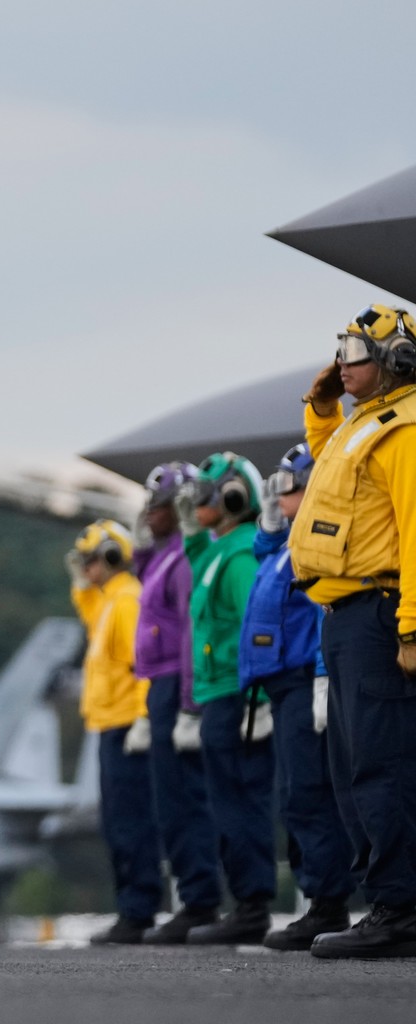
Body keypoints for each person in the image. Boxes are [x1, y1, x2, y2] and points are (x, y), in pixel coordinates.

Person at [290, 304, 416, 958]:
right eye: (340, 348)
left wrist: (413, 627)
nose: (343, 361)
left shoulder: (407, 428)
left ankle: (401, 909)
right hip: (342, 619)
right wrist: (320, 404)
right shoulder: (361, 426)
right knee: (350, 768)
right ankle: (386, 904)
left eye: (357, 350)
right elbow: (327, 470)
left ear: (396, 360)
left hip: (377, 613)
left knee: (381, 765)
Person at [243, 443, 356, 950]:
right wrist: (269, 527)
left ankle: (327, 902)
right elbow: (271, 565)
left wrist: (321, 674)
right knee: (296, 796)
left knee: (310, 794)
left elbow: (317, 610)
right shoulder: (291, 541)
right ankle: (320, 900)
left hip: (303, 677)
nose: (277, 495)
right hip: (284, 683)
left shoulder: (319, 538)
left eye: (284, 487)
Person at [176, 451, 277, 945]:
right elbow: (197, 564)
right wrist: (192, 532)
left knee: (240, 802)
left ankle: (253, 907)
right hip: (218, 694)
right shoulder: (220, 550)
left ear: (233, 499)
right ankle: (245, 903)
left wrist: (256, 694)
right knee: (225, 803)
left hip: (236, 695)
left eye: (205, 499)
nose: (195, 508)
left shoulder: (239, 555)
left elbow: (251, 621)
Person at [130, 463, 224, 945]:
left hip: (176, 683)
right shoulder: (165, 556)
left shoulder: (187, 557)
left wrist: (189, 704)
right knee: (169, 801)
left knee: (184, 799)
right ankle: (195, 895)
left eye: (158, 506)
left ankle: (201, 898)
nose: (149, 514)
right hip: (160, 685)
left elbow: (190, 630)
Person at [64, 520, 163, 945]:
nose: (85, 570)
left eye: (89, 561)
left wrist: (144, 717)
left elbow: (144, 664)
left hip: (127, 726)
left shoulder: (126, 602)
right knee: (118, 821)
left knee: (131, 823)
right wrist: (83, 586)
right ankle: (131, 909)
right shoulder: (108, 601)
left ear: (107, 558)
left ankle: (137, 912)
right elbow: (89, 617)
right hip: (110, 725)